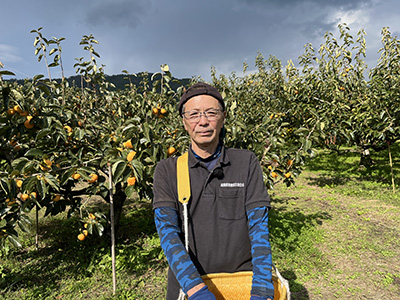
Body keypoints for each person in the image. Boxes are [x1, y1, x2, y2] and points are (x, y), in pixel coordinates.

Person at [153, 82, 274, 300]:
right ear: (184, 122)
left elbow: (259, 226)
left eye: (211, 113)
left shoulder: (246, 162)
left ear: (223, 117)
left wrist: (263, 287)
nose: (203, 121)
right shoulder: (167, 170)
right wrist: (197, 291)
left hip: (240, 283)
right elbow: (168, 233)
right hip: (189, 286)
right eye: (194, 114)